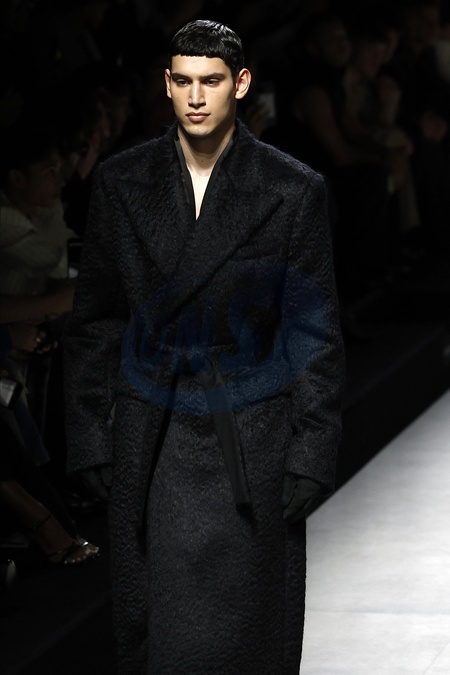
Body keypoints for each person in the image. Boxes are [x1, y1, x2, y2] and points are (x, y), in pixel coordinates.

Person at [64, 19, 344, 674]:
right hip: (151, 430)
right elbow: (97, 319)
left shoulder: (291, 188)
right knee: (160, 630)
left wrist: (312, 450)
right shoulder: (121, 182)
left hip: (249, 432)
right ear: (165, 84)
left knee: (244, 629)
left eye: (211, 81)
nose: (196, 97)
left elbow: (313, 331)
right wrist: (91, 432)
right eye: (184, 81)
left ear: (240, 84)